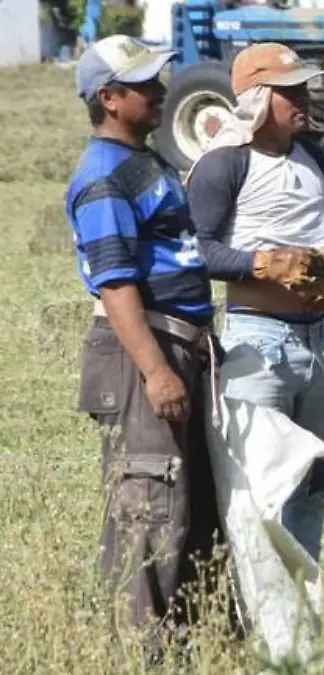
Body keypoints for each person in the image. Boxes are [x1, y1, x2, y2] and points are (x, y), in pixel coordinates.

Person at [65, 35, 227, 662]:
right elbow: (115, 285)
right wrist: (157, 372)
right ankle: (145, 653)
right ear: (108, 98)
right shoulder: (103, 178)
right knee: (151, 508)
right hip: (145, 350)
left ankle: (193, 641)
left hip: (179, 343)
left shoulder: (143, 161)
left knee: (189, 504)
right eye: (144, 84)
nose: (161, 91)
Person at [186, 42, 324, 567]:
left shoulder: (312, 157)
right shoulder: (223, 165)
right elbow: (198, 250)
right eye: (290, 91)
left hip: (318, 342)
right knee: (260, 490)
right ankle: (253, 614)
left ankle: (302, 605)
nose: (304, 98)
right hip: (258, 345)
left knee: (315, 478)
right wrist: (263, 265)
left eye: (304, 87)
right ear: (257, 99)